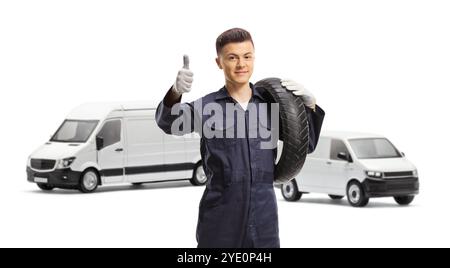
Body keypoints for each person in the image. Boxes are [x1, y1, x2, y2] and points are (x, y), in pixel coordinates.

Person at [156, 28, 325, 248]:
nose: (241, 64)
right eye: (232, 57)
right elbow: (168, 122)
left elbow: (305, 145)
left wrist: (309, 107)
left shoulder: (271, 107)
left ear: (254, 57)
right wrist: (175, 91)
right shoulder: (207, 107)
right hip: (220, 219)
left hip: (264, 219)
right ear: (219, 62)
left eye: (247, 56)